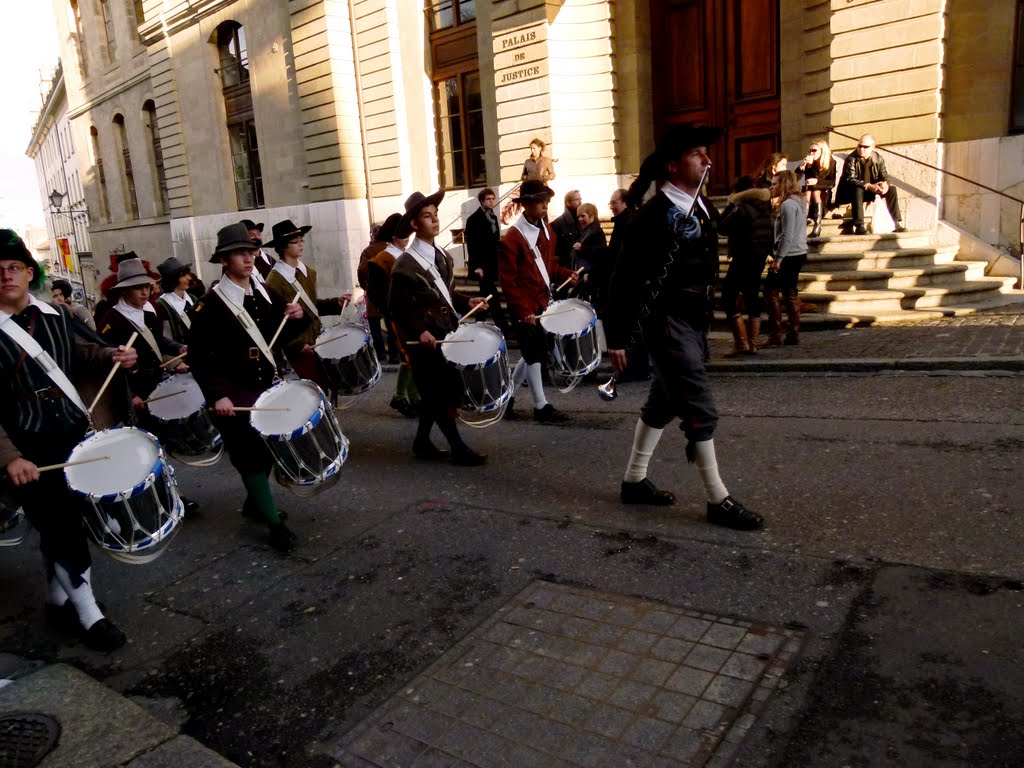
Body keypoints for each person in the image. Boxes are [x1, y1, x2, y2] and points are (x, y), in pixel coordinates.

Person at [604, 124, 763, 531]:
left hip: (695, 314)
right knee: (695, 399)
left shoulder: (703, 204)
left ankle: (634, 481)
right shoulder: (650, 217)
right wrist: (618, 337)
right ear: (673, 166)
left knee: (665, 400)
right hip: (666, 318)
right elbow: (621, 279)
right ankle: (717, 498)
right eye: (698, 154)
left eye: (706, 153)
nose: (708, 160)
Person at [0, 228, 138, 651]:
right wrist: (9, 457)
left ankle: (58, 598)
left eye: (14, 268)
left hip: (74, 432)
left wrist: (114, 355)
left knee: (68, 520)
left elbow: (78, 354)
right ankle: (89, 614)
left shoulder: (55, 317)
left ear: (29, 273)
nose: (6, 276)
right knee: (60, 526)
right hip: (29, 446)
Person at [188, 223, 305, 551]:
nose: (249, 258)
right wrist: (217, 395)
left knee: (267, 450)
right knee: (248, 456)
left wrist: (296, 315)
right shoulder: (210, 303)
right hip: (233, 392)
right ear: (224, 260)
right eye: (240, 253)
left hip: (266, 387)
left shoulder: (265, 291)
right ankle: (274, 525)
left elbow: (283, 335)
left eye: (252, 251)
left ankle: (255, 504)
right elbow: (199, 357)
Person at [387, 190, 489, 465]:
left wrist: (469, 301)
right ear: (413, 224)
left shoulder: (442, 256)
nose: (434, 220)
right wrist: (419, 330)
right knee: (439, 391)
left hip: (446, 331)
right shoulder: (404, 266)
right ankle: (458, 448)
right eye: (426, 216)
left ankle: (421, 442)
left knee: (435, 393)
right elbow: (397, 308)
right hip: (425, 339)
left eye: (435, 215)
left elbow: (446, 293)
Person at [496, 180, 579, 423]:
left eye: (546, 202)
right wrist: (523, 311)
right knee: (534, 354)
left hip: (542, 302)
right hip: (524, 306)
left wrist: (565, 274)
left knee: (532, 352)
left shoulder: (546, 229)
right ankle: (540, 406)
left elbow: (547, 265)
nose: (545, 206)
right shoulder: (511, 240)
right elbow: (509, 281)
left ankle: (507, 396)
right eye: (541, 202)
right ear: (528, 205)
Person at [263, 219, 348, 386]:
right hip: (299, 346)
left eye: (302, 240)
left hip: (318, 339)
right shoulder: (274, 280)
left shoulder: (308, 272)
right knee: (315, 387)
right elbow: (275, 321)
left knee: (329, 384)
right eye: (295, 242)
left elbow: (312, 305)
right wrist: (297, 345)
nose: (301, 244)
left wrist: (335, 303)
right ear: (282, 247)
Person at [365, 212, 420, 417]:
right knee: (408, 356)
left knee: (412, 356)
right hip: (396, 315)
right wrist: (390, 310)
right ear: (394, 236)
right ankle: (402, 396)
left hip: (411, 313)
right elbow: (374, 291)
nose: (408, 237)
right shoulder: (381, 259)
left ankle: (410, 396)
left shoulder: (407, 256)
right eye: (404, 233)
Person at [717, 176, 774, 356]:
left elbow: (721, 227)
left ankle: (742, 343)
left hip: (743, 257)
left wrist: (730, 204)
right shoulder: (765, 207)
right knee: (751, 296)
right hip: (758, 257)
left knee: (728, 296)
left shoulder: (741, 208)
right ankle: (753, 343)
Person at [607, 188, 650, 382]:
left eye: (614, 202)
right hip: (631, 280)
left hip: (630, 282)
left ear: (625, 203)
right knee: (633, 325)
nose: (612, 206)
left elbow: (621, 255)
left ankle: (632, 367)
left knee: (630, 325)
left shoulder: (628, 222)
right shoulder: (625, 220)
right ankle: (637, 367)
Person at [765, 170, 808, 346]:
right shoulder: (798, 201)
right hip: (798, 252)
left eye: (775, 183)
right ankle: (793, 333)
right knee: (790, 292)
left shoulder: (788, 205)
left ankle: (776, 334)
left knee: (770, 291)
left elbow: (787, 235)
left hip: (790, 254)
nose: (771, 187)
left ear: (784, 185)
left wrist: (778, 259)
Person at [835, 134, 904, 235]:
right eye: (859, 146)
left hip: (870, 190)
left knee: (892, 190)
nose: (861, 149)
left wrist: (885, 184)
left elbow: (884, 175)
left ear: (872, 147)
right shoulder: (851, 159)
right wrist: (868, 186)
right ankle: (859, 225)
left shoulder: (878, 158)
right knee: (858, 189)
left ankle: (896, 223)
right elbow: (850, 180)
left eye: (865, 147)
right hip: (850, 192)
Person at [464, 187, 509, 333]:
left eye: (492, 199)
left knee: (486, 297)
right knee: (493, 296)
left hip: (492, 263)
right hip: (481, 265)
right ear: (482, 201)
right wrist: (477, 266)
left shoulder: (494, 217)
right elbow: (472, 245)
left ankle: (479, 325)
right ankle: (504, 328)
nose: (491, 201)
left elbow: (494, 241)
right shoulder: (473, 220)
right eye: (488, 199)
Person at [357, 223, 394, 363]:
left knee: (374, 324)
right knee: (391, 326)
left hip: (374, 293)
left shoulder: (368, 251)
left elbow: (362, 271)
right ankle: (394, 355)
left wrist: (365, 286)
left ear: (373, 235)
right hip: (390, 293)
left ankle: (381, 354)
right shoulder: (391, 249)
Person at [795, 139, 837, 238]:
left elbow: (832, 183)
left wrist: (817, 181)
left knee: (816, 190)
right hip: (808, 200)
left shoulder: (831, 162)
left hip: (823, 198)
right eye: (810, 151)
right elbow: (794, 178)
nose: (811, 153)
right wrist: (801, 166)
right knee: (809, 190)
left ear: (822, 151)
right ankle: (804, 220)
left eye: (814, 150)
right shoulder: (809, 164)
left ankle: (817, 225)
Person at [570, 202, 608, 309]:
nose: (580, 219)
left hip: (590, 278)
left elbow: (601, 253)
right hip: (586, 276)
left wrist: (582, 248)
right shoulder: (588, 230)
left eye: (583, 216)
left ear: (592, 216)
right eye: (578, 216)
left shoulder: (595, 232)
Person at [155, 256, 195, 344]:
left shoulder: (193, 299)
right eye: (184, 275)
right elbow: (166, 339)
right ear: (173, 279)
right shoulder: (161, 305)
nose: (189, 278)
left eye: (188, 274)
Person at [550, 189, 582, 268]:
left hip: (581, 267)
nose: (580, 202)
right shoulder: (557, 224)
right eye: (577, 200)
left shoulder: (582, 221)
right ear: (568, 203)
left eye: (580, 199)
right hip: (566, 269)